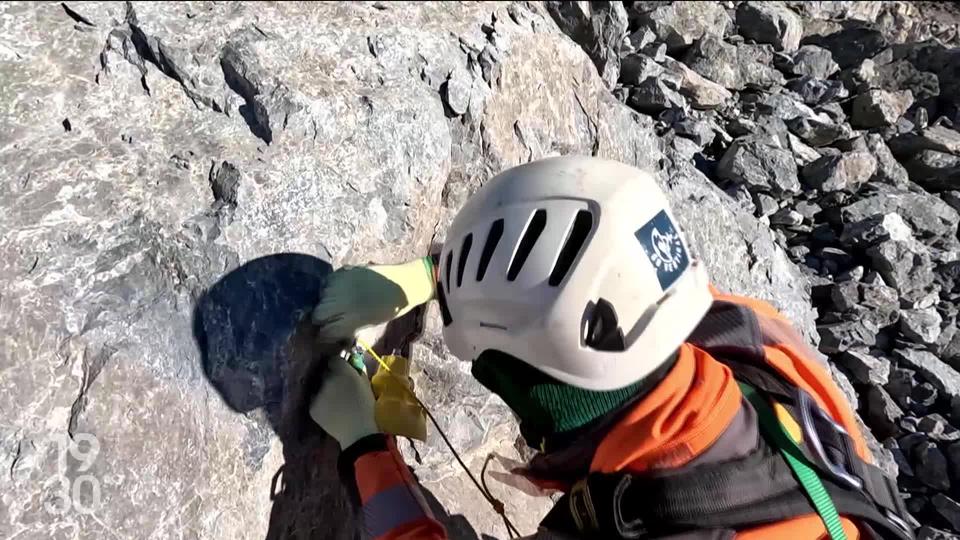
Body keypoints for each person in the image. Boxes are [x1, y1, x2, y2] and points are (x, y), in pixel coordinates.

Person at [308, 156, 915, 540]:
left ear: (530, 394)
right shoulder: (753, 337)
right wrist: (430, 277)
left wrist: (366, 450)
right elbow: (592, 280)